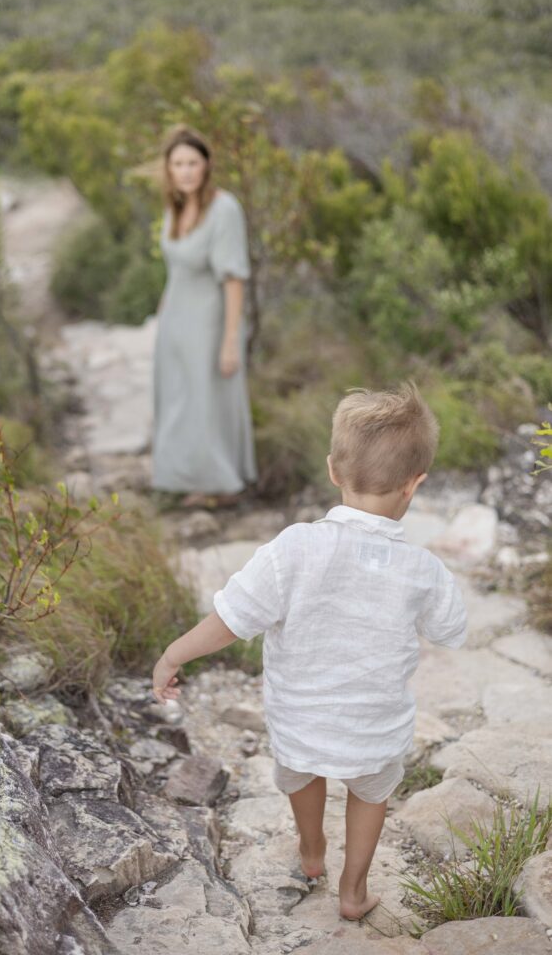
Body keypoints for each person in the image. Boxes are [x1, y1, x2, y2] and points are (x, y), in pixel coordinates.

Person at [152, 382, 467, 921]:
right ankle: (353, 889)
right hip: (375, 724)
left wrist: (174, 655)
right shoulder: (421, 569)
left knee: (302, 774)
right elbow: (451, 629)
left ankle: (311, 851)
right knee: (372, 793)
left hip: (300, 718)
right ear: (416, 485)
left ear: (333, 471)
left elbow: (233, 619)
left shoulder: (294, 547)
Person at [151, 125, 257, 508]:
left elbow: (233, 278)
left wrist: (230, 340)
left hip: (209, 321)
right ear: (168, 169)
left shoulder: (224, 210)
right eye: (178, 164)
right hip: (175, 319)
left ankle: (218, 484)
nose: (185, 171)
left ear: (207, 165)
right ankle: (184, 477)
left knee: (208, 399)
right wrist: (163, 315)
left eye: (192, 163)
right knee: (178, 400)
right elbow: (175, 270)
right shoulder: (174, 207)